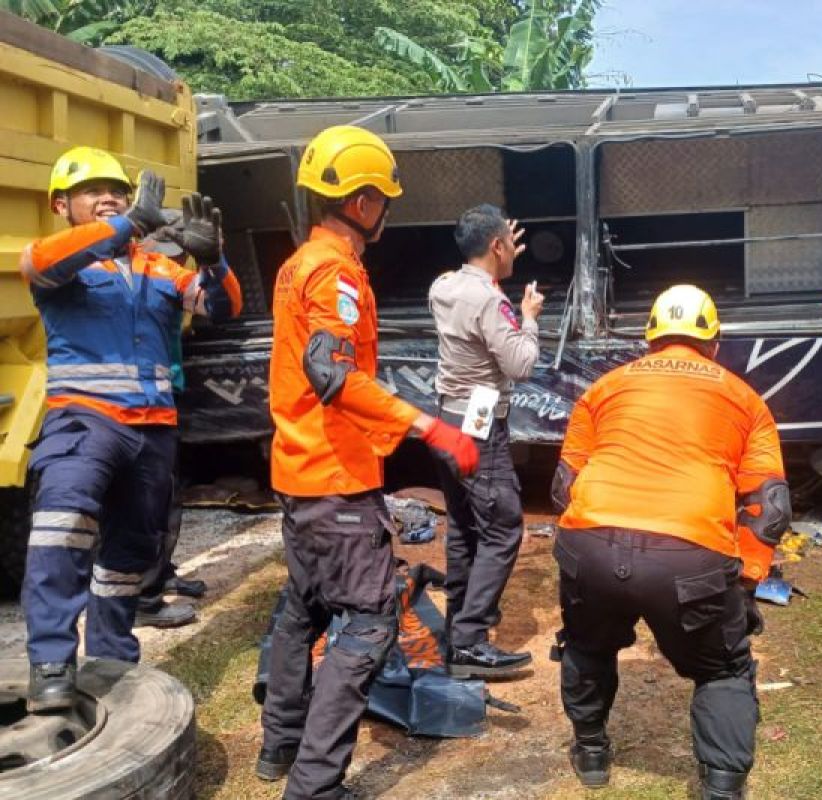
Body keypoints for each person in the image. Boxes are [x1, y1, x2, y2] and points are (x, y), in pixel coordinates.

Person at [257, 125, 480, 800]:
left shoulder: (301, 262)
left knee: (304, 608)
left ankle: (278, 749)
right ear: (360, 201)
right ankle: (315, 786)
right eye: (383, 197)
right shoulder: (334, 271)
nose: (386, 210)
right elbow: (332, 374)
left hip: (300, 475)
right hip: (335, 478)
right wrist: (428, 428)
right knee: (369, 620)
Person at [18, 147, 242, 711]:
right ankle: (50, 662)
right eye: (93, 191)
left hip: (152, 431)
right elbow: (38, 263)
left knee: (130, 554)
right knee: (61, 534)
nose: (109, 197)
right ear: (62, 205)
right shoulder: (64, 260)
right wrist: (128, 223)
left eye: (116, 190)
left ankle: (112, 656)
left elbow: (222, 307)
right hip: (84, 422)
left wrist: (214, 262)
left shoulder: (158, 267)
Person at [550, 284, 789, 800]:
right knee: (724, 669)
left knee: (588, 644)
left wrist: (582, 559)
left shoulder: (604, 388)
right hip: (690, 551)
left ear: (650, 339)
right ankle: (721, 788)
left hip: (591, 538)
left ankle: (591, 752)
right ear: (714, 343)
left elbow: (563, 485)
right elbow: (769, 508)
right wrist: (745, 582)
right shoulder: (745, 399)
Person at [427, 204, 544, 678]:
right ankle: (471, 639)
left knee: (463, 525)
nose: (514, 249)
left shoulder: (443, 286)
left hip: (448, 417)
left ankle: (459, 620)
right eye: (508, 244)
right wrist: (528, 317)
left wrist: (497, 266)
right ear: (496, 246)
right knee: (502, 527)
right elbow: (521, 364)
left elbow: (478, 309)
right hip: (478, 426)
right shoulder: (492, 303)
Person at [134, 210, 206, 629]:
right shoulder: (143, 285)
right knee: (149, 500)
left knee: (168, 494)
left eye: (180, 255)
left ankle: (162, 573)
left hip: (167, 395)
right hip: (145, 405)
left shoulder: (174, 283)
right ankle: (145, 594)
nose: (174, 262)